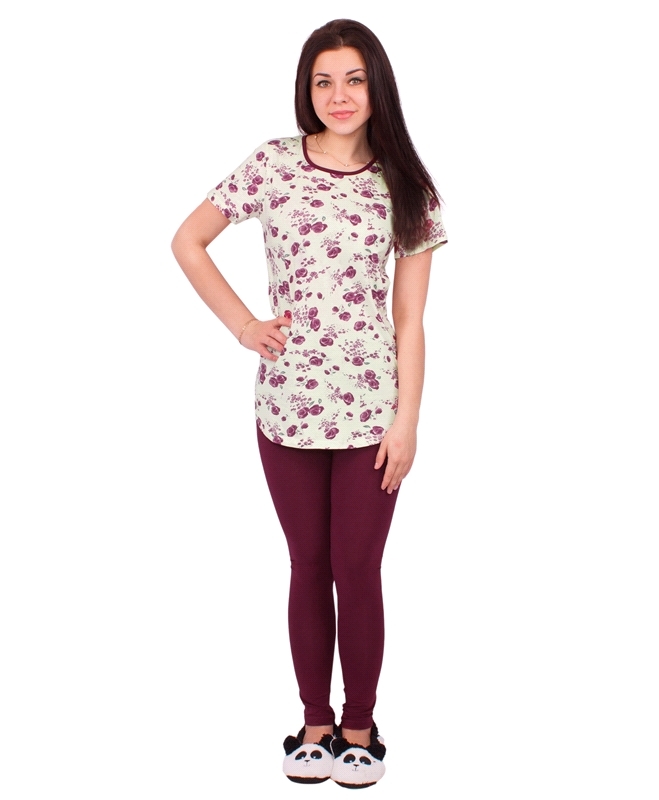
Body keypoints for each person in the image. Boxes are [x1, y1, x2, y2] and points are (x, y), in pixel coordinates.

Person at [171, 19, 447, 788]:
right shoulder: (271, 163)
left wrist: (407, 421)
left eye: (353, 79)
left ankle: (360, 727)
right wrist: (243, 326)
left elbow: (409, 320)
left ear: (376, 86)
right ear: (307, 90)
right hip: (287, 408)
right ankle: (313, 725)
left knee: (357, 569)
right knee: (308, 565)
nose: (338, 95)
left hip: (370, 416)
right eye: (323, 81)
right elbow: (188, 241)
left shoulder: (407, 185)